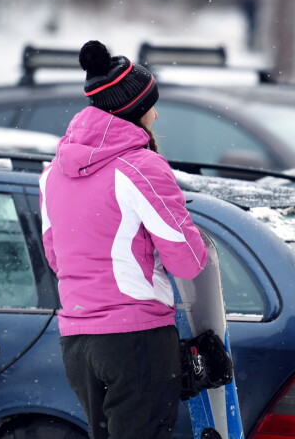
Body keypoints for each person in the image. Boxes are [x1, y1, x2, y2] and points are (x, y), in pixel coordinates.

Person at [39, 40, 208, 439]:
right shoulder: (141, 167)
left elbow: (57, 258)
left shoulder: (52, 174)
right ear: (133, 110)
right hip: (135, 340)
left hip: (78, 343)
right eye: (152, 104)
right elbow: (188, 261)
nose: (156, 112)